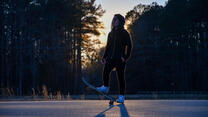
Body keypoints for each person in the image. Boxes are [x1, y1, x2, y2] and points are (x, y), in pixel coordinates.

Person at [96, 14, 133, 103]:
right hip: (111, 58)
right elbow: (108, 47)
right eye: (113, 19)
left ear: (120, 21)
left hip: (120, 59)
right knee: (105, 71)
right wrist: (104, 57)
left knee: (120, 77)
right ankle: (105, 87)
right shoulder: (111, 33)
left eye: (115, 20)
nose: (114, 21)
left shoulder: (124, 33)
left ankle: (121, 96)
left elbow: (129, 45)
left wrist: (125, 57)